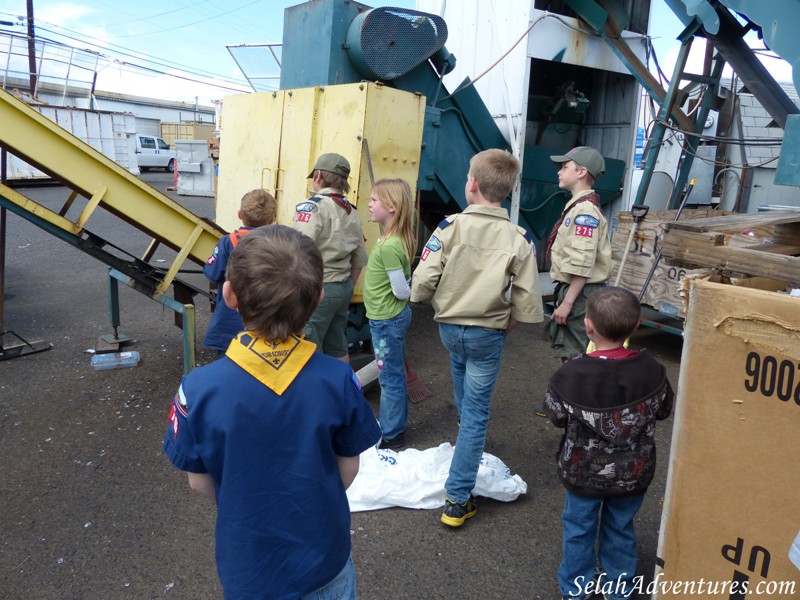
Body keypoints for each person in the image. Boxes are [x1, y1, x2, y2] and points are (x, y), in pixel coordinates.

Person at [163, 225, 382, 600]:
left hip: (250, 566)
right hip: (324, 558)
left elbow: (199, 482)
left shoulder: (197, 389)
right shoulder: (338, 378)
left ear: (230, 295)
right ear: (318, 300)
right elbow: (349, 468)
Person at [411, 148, 543, 527]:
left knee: (464, 397)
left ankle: (464, 447)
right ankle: (458, 498)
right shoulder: (518, 238)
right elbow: (529, 302)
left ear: (471, 183)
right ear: (508, 190)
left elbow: (421, 283)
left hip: (450, 331)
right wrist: (507, 324)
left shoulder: (449, 228)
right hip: (488, 334)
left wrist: (425, 298)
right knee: (475, 413)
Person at [542, 287, 674, 600]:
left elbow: (556, 415)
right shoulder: (652, 371)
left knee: (578, 528)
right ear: (636, 325)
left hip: (582, 473)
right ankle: (619, 589)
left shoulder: (569, 373)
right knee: (620, 526)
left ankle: (575, 589)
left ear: (588, 326)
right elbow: (665, 409)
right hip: (633, 473)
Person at [533, 146, 612, 419]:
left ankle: (579, 413)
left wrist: (567, 303)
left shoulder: (585, 212)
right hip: (575, 291)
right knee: (570, 351)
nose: (559, 170)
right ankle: (566, 405)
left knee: (577, 354)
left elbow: (582, 263)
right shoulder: (579, 207)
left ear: (581, 172)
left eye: (565, 166)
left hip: (580, 293)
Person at [293, 153, 368, 364]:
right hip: (342, 286)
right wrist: (347, 287)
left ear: (318, 176)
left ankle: (315, 395)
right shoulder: (351, 211)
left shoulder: (313, 206)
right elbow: (359, 258)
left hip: (318, 288)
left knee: (307, 347)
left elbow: (300, 250)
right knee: (337, 345)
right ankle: (342, 391)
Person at [364, 178, 415, 449]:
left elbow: (402, 291)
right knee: (392, 374)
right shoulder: (389, 240)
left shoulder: (389, 246)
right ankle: (393, 425)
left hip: (386, 321)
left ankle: (392, 433)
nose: (369, 204)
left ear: (392, 206)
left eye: (374, 200)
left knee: (389, 378)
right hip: (386, 319)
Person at [202, 188, 276, 356]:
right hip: (268, 319)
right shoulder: (278, 242)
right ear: (271, 219)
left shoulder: (228, 242)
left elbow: (213, 273)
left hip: (231, 320)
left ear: (240, 214)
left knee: (227, 369)